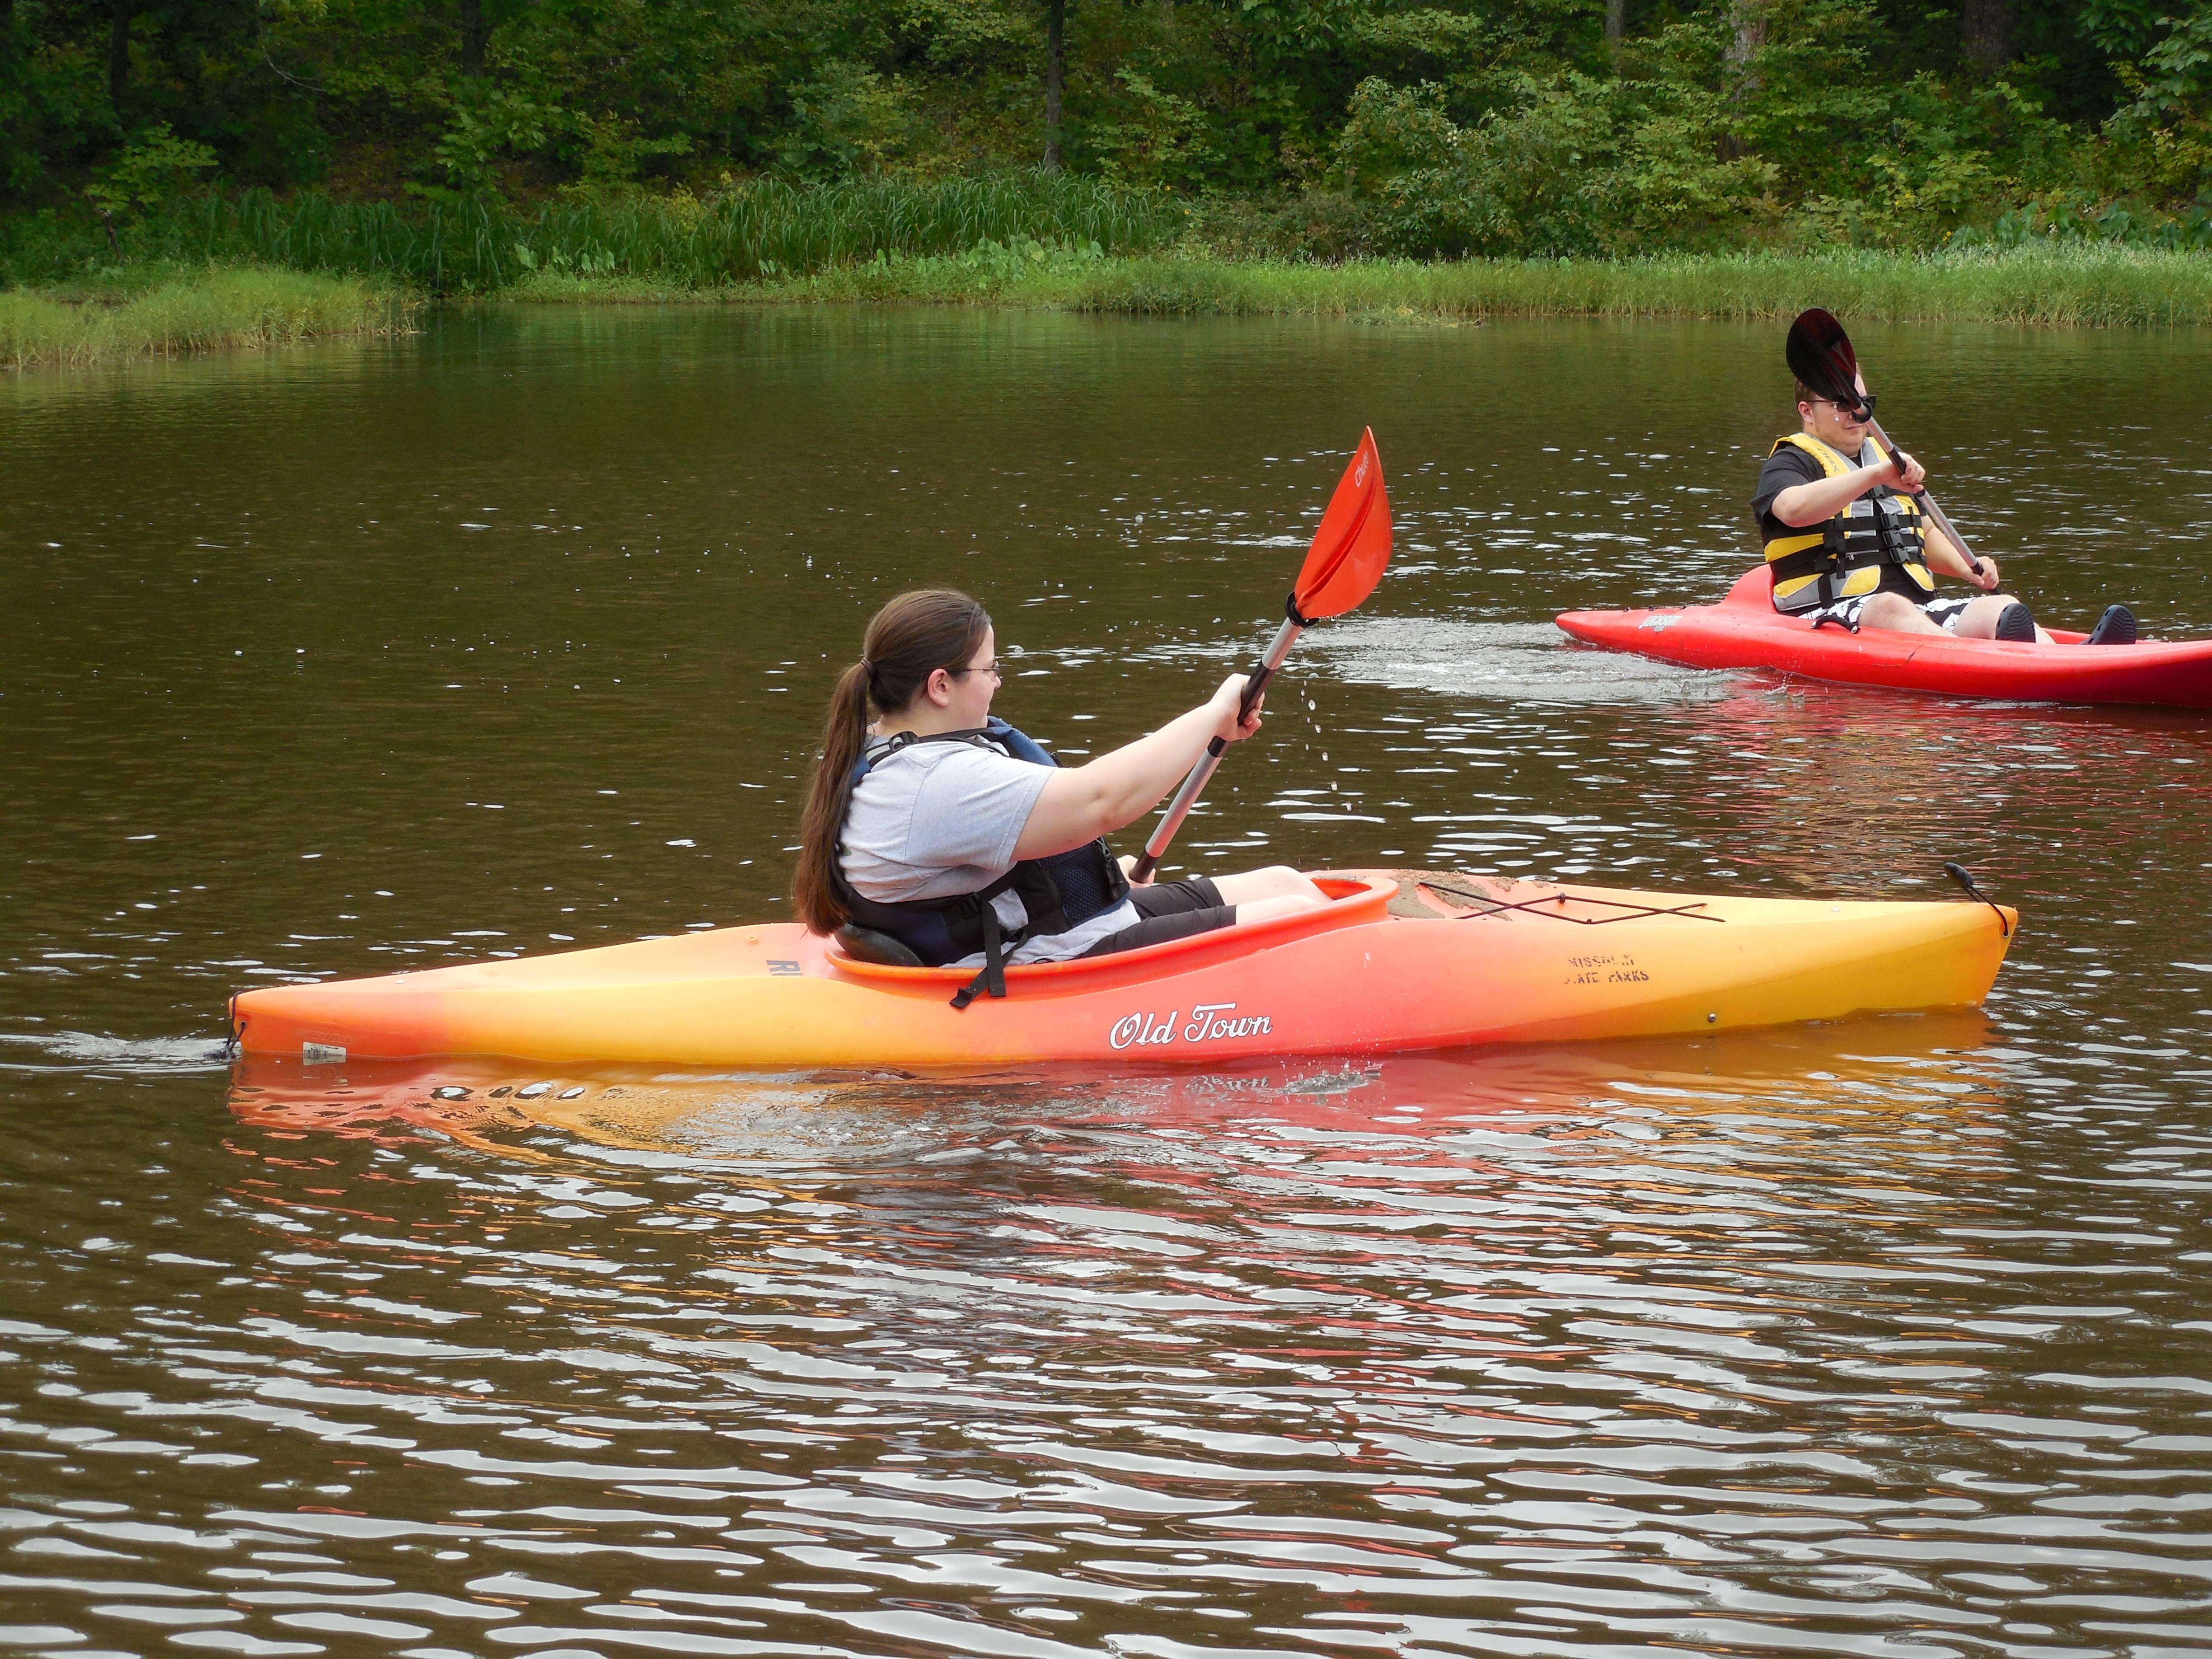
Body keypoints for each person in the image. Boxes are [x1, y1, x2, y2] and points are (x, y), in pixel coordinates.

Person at [793, 589, 1329, 1002]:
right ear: (940, 686)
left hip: (1037, 931)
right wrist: (1213, 713)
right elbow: (1101, 802)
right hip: (1043, 962)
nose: (997, 683)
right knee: (1305, 920)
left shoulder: (886, 750)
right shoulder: (938, 784)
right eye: (990, 668)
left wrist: (1096, 879)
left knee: (1286, 882)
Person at [1754, 377, 2136, 646]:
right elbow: (1792, 509)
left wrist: (1968, 571)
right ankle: (1983, 663)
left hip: (1916, 610)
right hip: (1823, 617)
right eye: (1842, 406)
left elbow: (1924, 535)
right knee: (1888, 605)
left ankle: (2065, 660)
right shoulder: (1791, 462)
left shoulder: (1882, 462)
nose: (1857, 415)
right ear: (1807, 410)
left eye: (1863, 405)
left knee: (2003, 607)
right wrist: (1875, 476)